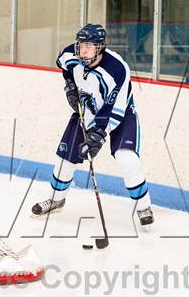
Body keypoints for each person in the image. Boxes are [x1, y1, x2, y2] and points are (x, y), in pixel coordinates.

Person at [31, 24, 154, 226]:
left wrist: (98, 135)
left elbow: (114, 107)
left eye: (89, 46)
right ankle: (55, 199)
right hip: (87, 109)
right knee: (65, 158)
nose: (83, 50)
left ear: (100, 47)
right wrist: (70, 86)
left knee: (127, 158)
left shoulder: (116, 70)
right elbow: (64, 66)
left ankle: (143, 207)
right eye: (81, 45)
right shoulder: (71, 54)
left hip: (120, 113)